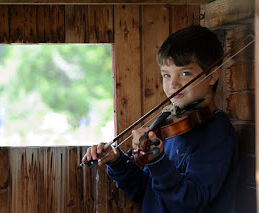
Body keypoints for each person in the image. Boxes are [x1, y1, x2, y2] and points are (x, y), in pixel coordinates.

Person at [81, 25, 239, 213]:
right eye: (166, 75)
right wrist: (116, 161)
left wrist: (157, 161)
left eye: (185, 73)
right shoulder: (171, 128)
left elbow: (190, 203)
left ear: (212, 75)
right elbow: (144, 192)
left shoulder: (217, 133)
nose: (173, 84)